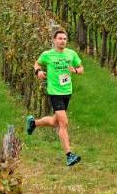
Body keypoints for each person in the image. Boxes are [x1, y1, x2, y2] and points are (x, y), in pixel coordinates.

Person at [26, 29, 84, 166]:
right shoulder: (47, 55)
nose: (62, 41)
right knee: (64, 124)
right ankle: (69, 155)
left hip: (67, 91)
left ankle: (33, 123)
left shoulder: (71, 54)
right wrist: (38, 71)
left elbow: (81, 69)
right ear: (54, 40)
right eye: (60, 38)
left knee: (54, 122)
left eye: (65, 39)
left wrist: (75, 70)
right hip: (55, 93)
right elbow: (37, 64)